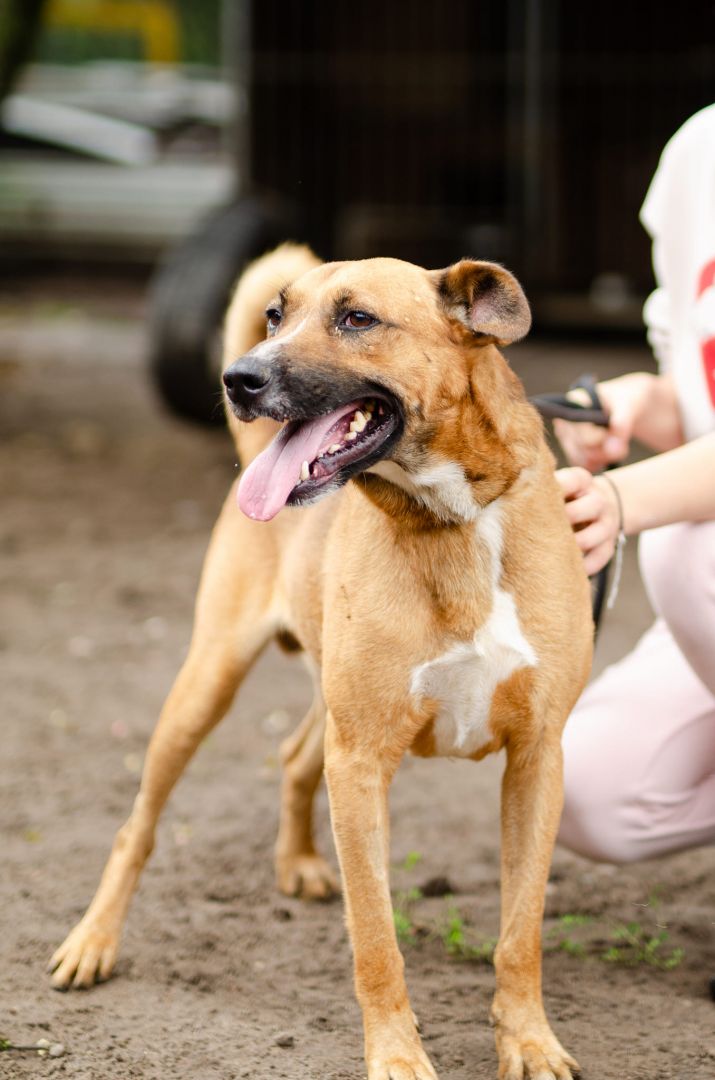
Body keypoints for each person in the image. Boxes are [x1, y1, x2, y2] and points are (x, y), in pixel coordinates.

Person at [553, 104, 715, 863]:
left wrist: (619, 500)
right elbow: (698, 410)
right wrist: (640, 403)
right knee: (593, 791)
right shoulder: (698, 155)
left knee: (689, 552)